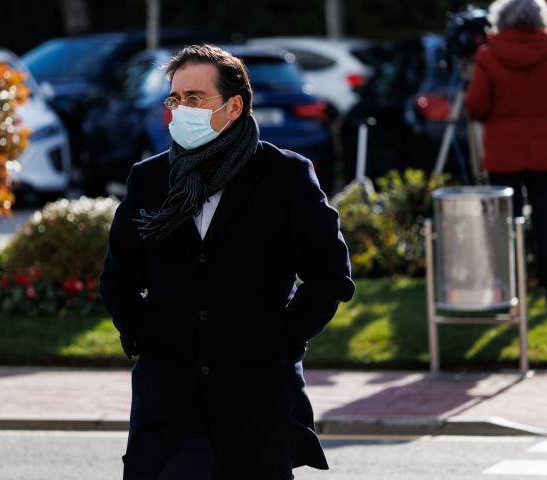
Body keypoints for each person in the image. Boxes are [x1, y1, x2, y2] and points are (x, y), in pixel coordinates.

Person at [99, 44, 355, 480]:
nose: (181, 110)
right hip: (169, 402)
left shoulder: (285, 175)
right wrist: (145, 336)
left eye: (195, 98)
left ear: (234, 107)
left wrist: (283, 339)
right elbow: (118, 278)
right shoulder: (150, 179)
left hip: (256, 397)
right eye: (175, 99)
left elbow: (330, 275)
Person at [465, 0, 547, 314]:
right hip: (544, 152)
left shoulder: (489, 55)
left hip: (503, 154)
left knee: (502, 228)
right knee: (546, 224)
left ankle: (504, 294)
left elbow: (476, 106)